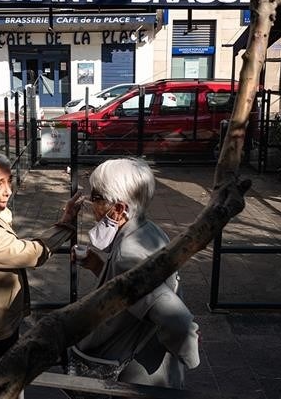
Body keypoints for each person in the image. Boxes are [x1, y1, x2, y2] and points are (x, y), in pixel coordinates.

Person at [0, 150, 84, 378]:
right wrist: (66, 224)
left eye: (9, 181)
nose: (8, 191)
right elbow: (30, 254)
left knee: (3, 374)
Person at [68, 157, 200, 395]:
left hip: (138, 372)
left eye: (96, 198)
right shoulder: (148, 230)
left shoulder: (128, 254)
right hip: (152, 363)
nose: (90, 203)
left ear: (118, 209)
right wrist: (97, 265)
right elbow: (130, 293)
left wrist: (188, 355)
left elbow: (177, 321)